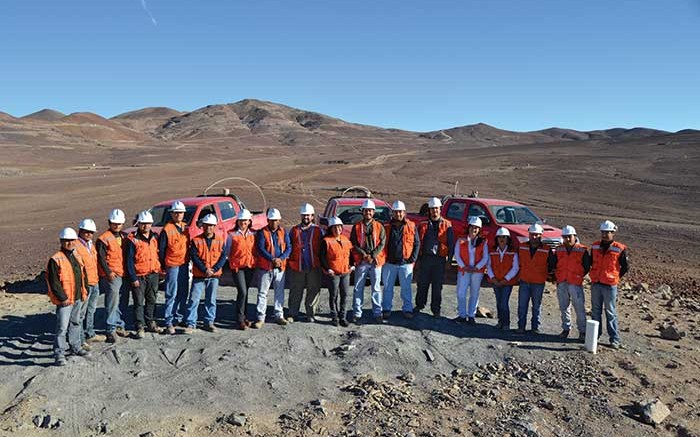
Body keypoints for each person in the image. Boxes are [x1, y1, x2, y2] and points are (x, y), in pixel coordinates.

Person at [46, 228, 90, 366]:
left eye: (72, 240)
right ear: (61, 241)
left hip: (77, 297)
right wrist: (62, 298)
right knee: (62, 327)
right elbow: (53, 282)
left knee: (75, 323)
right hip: (65, 300)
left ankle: (75, 347)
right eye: (66, 240)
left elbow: (83, 275)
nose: (69, 243)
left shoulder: (77, 256)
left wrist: (85, 290)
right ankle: (59, 353)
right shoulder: (55, 259)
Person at [184, 214, 229, 334]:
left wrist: (213, 269)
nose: (208, 228)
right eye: (206, 225)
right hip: (199, 275)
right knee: (194, 300)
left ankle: (209, 322)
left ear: (214, 227)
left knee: (211, 300)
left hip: (213, 276)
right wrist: (205, 270)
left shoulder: (220, 240)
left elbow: (223, 257)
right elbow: (194, 257)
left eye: (211, 226)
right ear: (202, 226)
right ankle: (190, 323)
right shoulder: (196, 241)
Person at [590, 220, 629, 349]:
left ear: (613, 233)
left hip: (609, 285)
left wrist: (615, 276)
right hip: (596, 283)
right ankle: (595, 336)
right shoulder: (595, 246)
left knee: (610, 312)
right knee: (595, 311)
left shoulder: (619, 248)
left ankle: (614, 339)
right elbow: (590, 262)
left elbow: (625, 267)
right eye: (603, 232)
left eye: (608, 233)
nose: (605, 235)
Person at [124, 211, 162, 338]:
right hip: (139, 276)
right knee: (139, 302)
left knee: (151, 300)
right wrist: (133, 277)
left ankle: (150, 322)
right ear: (138, 224)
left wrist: (160, 269)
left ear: (151, 224)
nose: (146, 226)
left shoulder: (155, 237)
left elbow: (158, 254)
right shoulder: (133, 240)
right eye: (143, 224)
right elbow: (129, 261)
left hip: (153, 274)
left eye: (148, 223)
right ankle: (139, 325)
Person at [414, 197, 454, 317]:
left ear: (440, 209)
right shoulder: (423, 225)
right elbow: (418, 242)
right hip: (426, 258)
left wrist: (449, 260)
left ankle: (436, 310)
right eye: (432, 209)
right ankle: (420, 305)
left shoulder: (447, 225)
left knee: (437, 286)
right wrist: (418, 260)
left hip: (440, 259)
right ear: (429, 210)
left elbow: (451, 244)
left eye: (436, 209)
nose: (434, 211)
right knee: (422, 284)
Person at [551, 225, 591, 341]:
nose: (567, 239)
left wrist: (579, 275)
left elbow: (586, 266)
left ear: (575, 236)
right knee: (564, 307)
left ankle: (582, 331)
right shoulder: (559, 249)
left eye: (569, 237)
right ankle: (566, 329)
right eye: (565, 237)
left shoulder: (582, 250)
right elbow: (554, 264)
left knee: (579, 308)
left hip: (575, 283)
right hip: (562, 282)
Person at [381, 200, 420, 319]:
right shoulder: (386, 226)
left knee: (406, 288)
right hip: (389, 263)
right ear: (392, 213)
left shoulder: (411, 225)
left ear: (404, 213)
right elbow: (381, 243)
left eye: (400, 212)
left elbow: (416, 243)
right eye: (396, 212)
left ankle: (407, 309)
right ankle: (386, 308)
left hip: (405, 263)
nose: (398, 214)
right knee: (387, 288)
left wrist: (412, 259)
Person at [350, 199, 386, 324]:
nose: (368, 213)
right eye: (366, 210)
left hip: (375, 261)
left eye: (370, 210)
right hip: (362, 261)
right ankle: (357, 313)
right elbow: (353, 243)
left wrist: (373, 255)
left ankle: (377, 313)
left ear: (373, 212)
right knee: (358, 287)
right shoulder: (357, 226)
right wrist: (364, 255)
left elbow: (382, 242)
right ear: (363, 212)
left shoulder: (379, 226)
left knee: (376, 288)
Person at [254, 208, 291, 328]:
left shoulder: (283, 232)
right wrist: (272, 259)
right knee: (262, 293)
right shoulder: (262, 232)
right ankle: (260, 318)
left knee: (279, 292)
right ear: (268, 220)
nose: (274, 222)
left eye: (276, 220)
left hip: (280, 268)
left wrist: (281, 259)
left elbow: (288, 247)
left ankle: (279, 315)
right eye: (271, 220)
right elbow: (260, 248)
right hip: (265, 268)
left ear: (279, 220)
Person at [287, 203, 323, 322]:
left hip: (313, 265)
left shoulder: (318, 231)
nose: (306, 217)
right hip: (298, 265)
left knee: (313, 290)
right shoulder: (294, 230)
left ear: (312, 216)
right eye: (304, 215)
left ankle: (310, 314)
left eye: (308, 215)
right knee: (295, 290)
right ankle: (292, 313)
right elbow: (288, 246)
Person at [96, 208, 128, 343]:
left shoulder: (124, 237)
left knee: (122, 300)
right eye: (114, 223)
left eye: (119, 223)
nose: (117, 225)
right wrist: (108, 272)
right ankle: (110, 329)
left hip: (122, 273)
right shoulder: (103, 239)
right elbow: (101, 258)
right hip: (111, 275)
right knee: (112, 302)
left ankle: (119, 324)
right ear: (109, 223)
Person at [516, 223, 554, 335]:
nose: (534, 237)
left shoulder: (547, 249)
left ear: (540, 235)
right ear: (529, 234)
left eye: (536, 235)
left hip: (538, 282)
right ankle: (521, 327)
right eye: (532, 234)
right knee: (522, 306)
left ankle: (535, 328)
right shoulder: (522, 247)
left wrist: (549, 276)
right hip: (524, 280)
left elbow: (552, 265)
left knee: (536, 306)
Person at [159, 200, 190, 335]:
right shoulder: (167, 230)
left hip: (183, 264)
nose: (178, 215)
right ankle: (169, 321)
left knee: (183, 292)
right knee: (171, 293)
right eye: (176, 213)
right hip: (172, 265)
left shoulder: (185, 228)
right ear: (172, 214)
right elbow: (161, 250)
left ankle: (179, 317)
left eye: (180, 213)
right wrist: (164, 267)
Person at [74, 218, 104, 348]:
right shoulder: (75, 245)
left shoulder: (91, 244)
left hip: (94, 281)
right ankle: (80, 340)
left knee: (91, 310)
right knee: (81, 313)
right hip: (84, 284)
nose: (88, 234)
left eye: (91, 232)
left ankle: (90, 333)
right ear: (80, 231)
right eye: (86, 231)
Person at [320, 217, 354, 326]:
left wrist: (352, 265)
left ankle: (342, 317)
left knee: (344, 295)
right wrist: (327, 269)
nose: (337, 229)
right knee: (334, 295)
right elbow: (322, 257)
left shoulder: (345, 239)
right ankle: (334, 316)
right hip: (333, 273)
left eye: (339, 227)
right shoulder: (326, 241)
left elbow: (351, 254)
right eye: (334, 227)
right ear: (330, 228)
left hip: (345, 272)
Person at [454, 216, 489, 325]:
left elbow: (485, 257)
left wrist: (476, 267)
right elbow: (457, 254)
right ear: (468, 227)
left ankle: (471, 315)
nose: (474, 229)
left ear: (479, 229)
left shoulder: (483, 242)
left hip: (477, 272)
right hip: (464, 271)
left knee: (474, 293)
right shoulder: (461, 240)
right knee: (461, 292)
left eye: (476, 228)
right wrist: (463, 266)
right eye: (472, 227)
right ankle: (462, 315)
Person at [226, 209, 257, 330]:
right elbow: (227, 251)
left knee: (246, 292)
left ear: (249, 221)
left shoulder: (253, 234)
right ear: (237, 221)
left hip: (250, 266)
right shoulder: (232, 234)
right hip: (237, 268)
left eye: (245, 220)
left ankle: (244, 317)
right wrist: (232, 264)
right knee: (242, 291)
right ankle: (239, 319)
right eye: (241, 220)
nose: (243, 223)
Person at [487, 227, 519, 330]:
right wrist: (493, 279)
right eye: (499, 237)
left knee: (504, 302)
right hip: (495, 281)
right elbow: (489, 266)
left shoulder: (513, 252)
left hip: (507, 283)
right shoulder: (492, 252)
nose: (502, 239)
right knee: (498, 302)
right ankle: (500, 322)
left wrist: (506, 279)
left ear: (508, 239)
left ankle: (506, 323)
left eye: (504, 237)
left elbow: (515, 268)